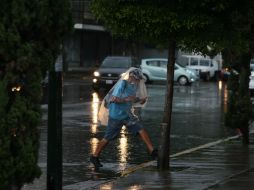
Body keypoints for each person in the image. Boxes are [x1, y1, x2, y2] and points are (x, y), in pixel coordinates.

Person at [90, 68, 158, 168]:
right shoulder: (122, 84)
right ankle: (94, 156)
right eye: (137, 79)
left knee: (140, 128)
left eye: (139, 79)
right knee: (108, 138)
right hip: (116, 115)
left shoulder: (134, 86)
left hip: (127, 115)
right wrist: (127, 99)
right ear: (131, 77)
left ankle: (152, 151)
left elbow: (131, 101)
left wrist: (140, 100)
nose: (138, 81)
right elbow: (114, 99)